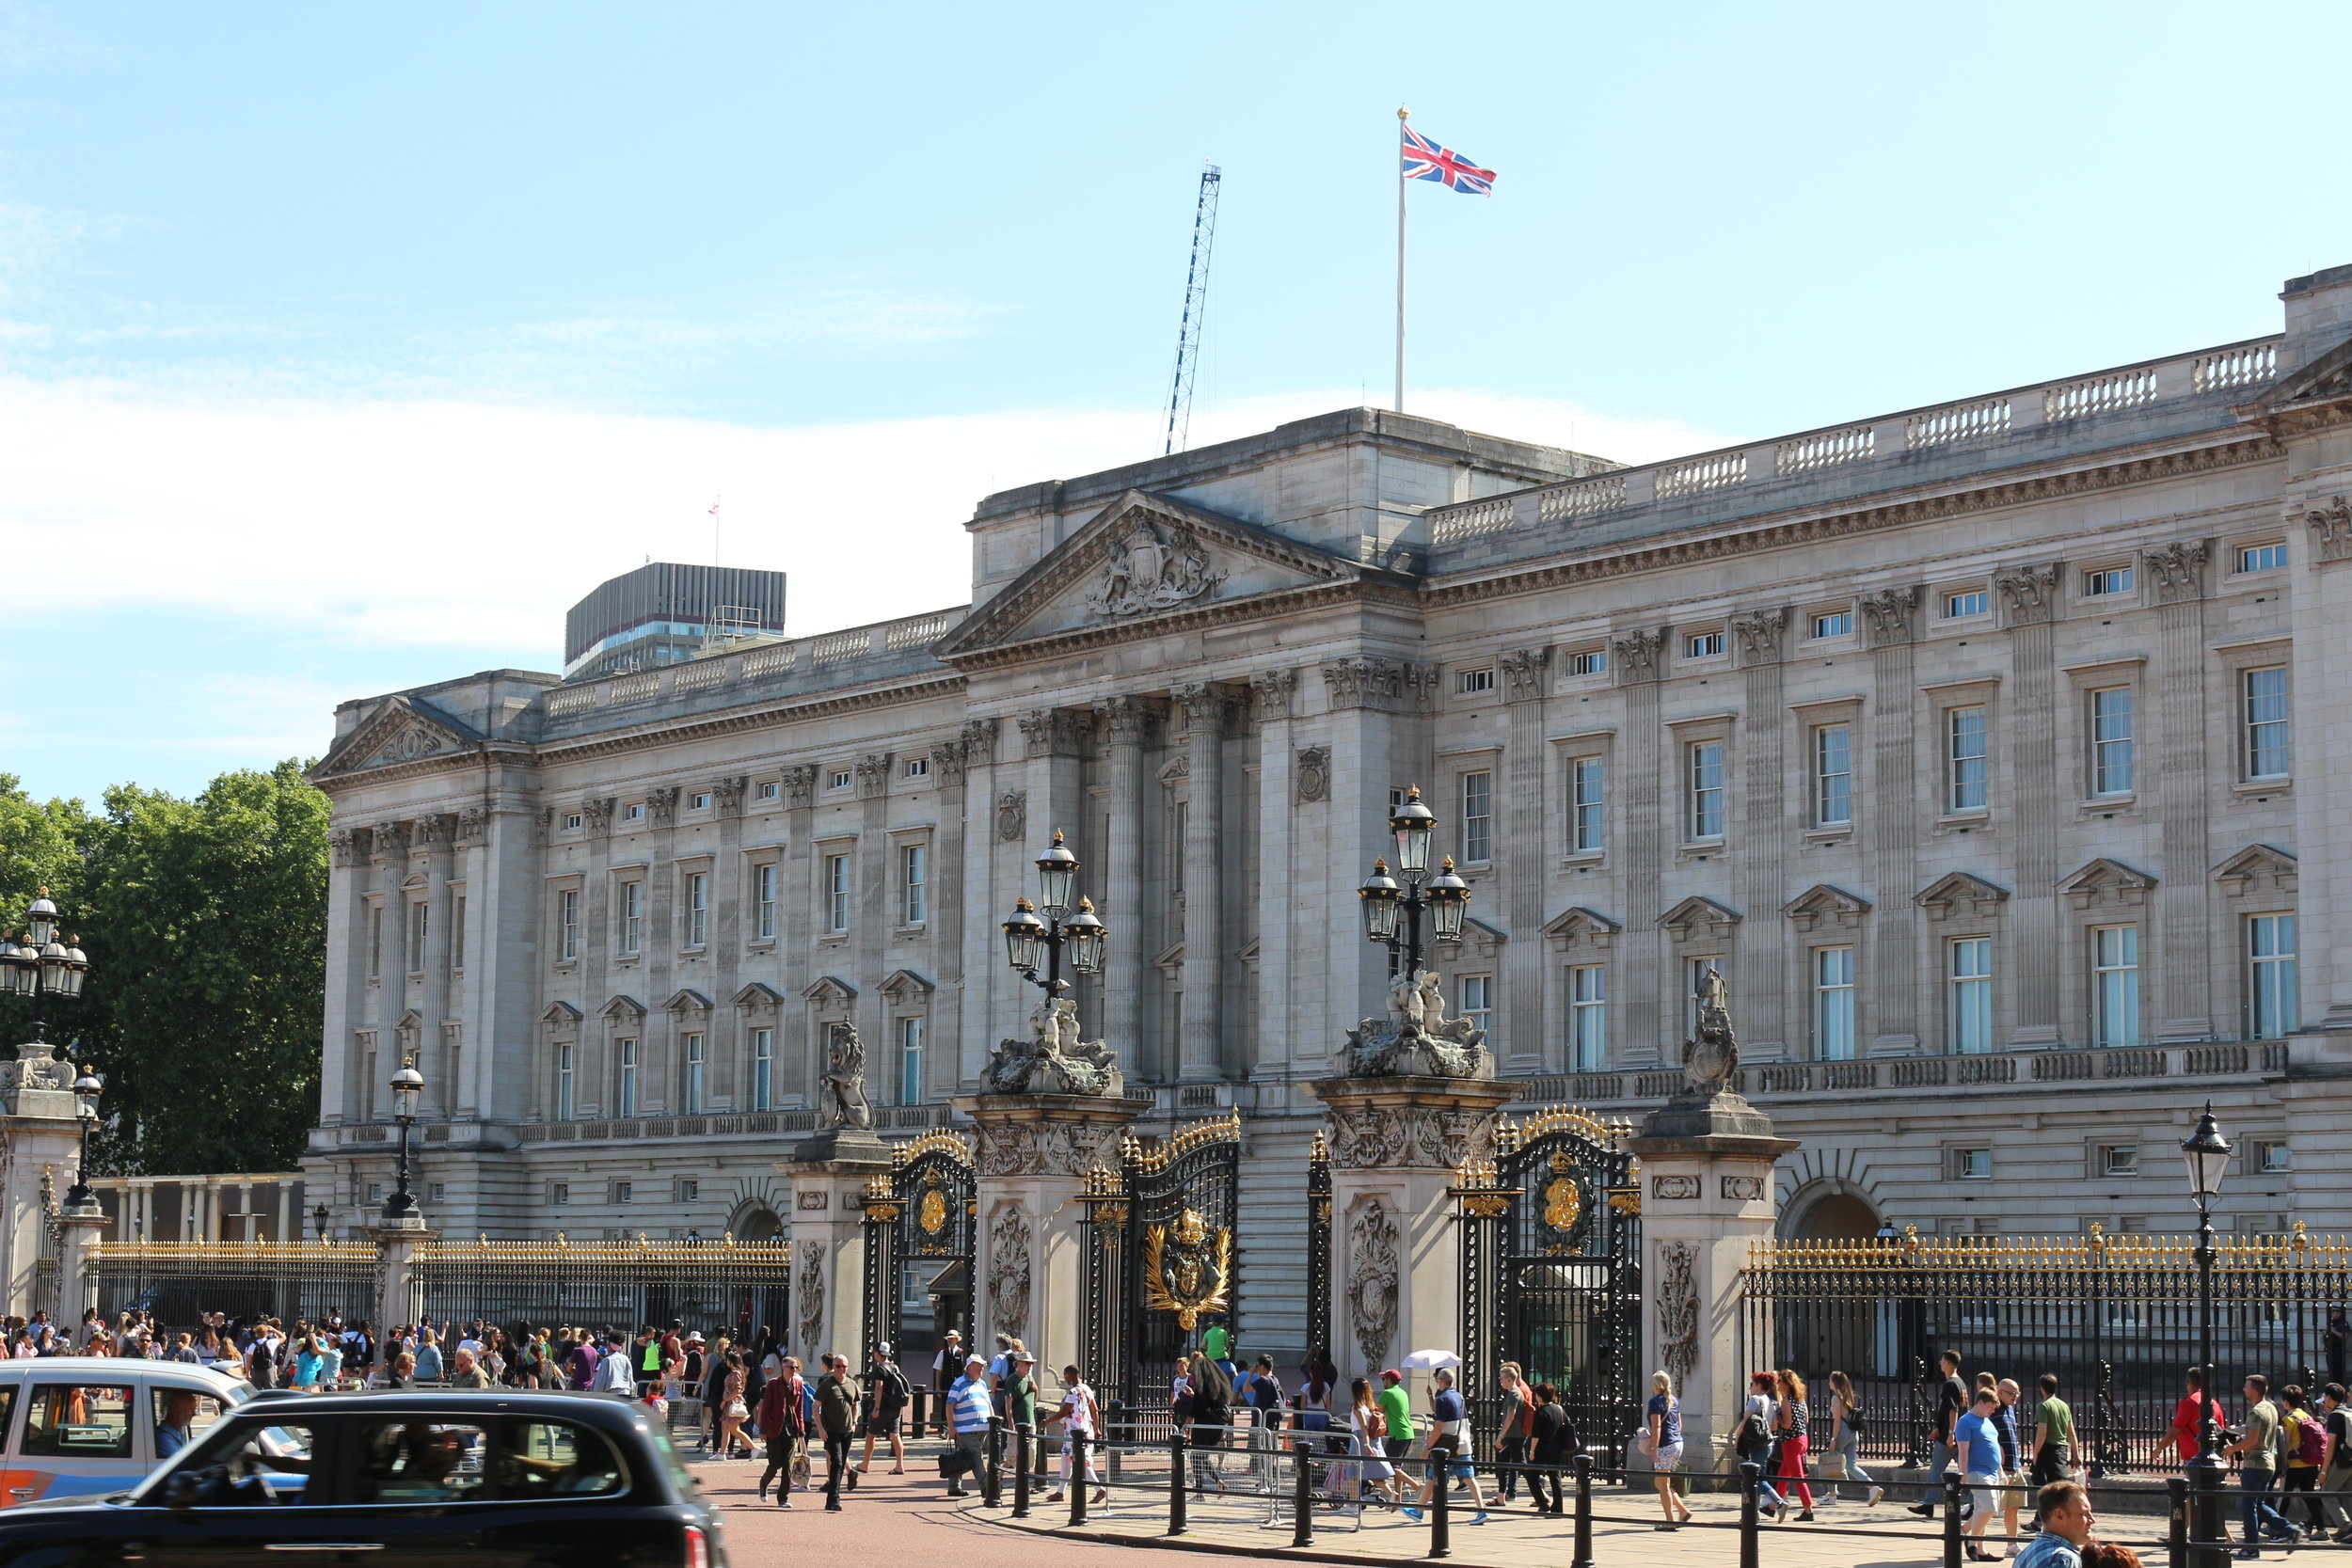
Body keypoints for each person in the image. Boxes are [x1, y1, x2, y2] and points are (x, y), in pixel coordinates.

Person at [2223, 1372, 2298, 1558]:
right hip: (2267, 1463)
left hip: (2256, 1464)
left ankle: (2251, 1547)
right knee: (2259, 1504)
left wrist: (2232, 1449)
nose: (2244, 1389)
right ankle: (2289, 1531)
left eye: (2247, 1386)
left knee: (2249, 1507)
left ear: (2254, 1390)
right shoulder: (2270, 1407)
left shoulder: (2256, 1411)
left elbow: (2252, 1440)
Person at [1403, 1368, 1487, 1527]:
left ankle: (1419, 1510)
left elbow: (1439, 1426)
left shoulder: (1442, 1398)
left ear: (1440, 1381)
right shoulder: (1459, 1396)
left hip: (1445, 1448)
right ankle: (1481, 1509)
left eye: (1437, 1379)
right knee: (1469, 1478)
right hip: (1461, 1443)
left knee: (1432, 1477)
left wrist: (1428, 1448)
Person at [1912, 1351, 1969, 1519]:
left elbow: (1953, 1410)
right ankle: (1973, 1503)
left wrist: (1950, 1432)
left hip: (1949, 1438)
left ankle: (1929, 1504)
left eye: (1942, 1360)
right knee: (1966, 1471)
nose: (1940, 1362)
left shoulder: (1950, 1384)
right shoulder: (1961, 1383)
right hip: (1958, 1435)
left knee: (1936, 1472)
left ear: (1949, 1363)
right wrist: (1940, 1428)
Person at [1046, 1362, 1107, 1506]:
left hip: (1076, 1433)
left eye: (1066, 1376)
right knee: (1066, 1460)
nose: (1065, 1379)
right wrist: (1096, 1428)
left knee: (1082, 1463)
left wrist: (1047, 1422)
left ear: (1071, 1375)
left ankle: (1099, 1489)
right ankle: (1060, 1492)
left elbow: (1064, 1411)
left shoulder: (1073, 1392)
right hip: (1085, 1430)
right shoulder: (1087, 1389)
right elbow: (1095, 1410)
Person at [1956, 1387, 2004, 1561]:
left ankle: (1978, 1546)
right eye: (1990, 1407)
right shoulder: (1965, 1421)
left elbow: (1994, 1446)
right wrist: (1964, 1473)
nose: (1992, 1412)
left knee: (1983, 1509)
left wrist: (2001, 1472)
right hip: (1977, 1471)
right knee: (1989, 1508)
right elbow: (1963, 1450)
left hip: (1992, 1472)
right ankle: (1971, 1542)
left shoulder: (1987, 1421)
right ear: (1981, 1402)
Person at [757, 1354, 810, 1506]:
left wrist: (801, 1428)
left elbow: (799, 1409)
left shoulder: (798, 1384)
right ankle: (763, 1484)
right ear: (783, 1368)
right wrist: (763, 1429)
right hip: (775, 1428)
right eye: (791, 1367)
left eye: (796, 1367)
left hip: (791, 1429)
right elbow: (765, 1408)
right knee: (774, 1464)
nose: (794, 1370)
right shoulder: (773, 1384)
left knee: (788, 1465)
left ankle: (782, 1498)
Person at [1643, 1369, 1692, 1528]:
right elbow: (1679, 1424)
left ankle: (1670, 1521)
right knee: (1662, 1482)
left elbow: (1657, 1427)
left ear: (1657, 1386)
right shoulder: (1674, 1401)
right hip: (1677, 1442)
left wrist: (1654, 1448)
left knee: (1662, 1485)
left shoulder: (1655, 1402)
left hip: (1664, 1444)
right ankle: (1682, 1511)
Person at [815, 1352, 863, 1509]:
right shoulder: (827, 1385)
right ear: (833, 1367)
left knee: (840, 1464)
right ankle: (834, 1499)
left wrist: (855, 1422)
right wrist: (820, 1429)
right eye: (838, 1366)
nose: (841, 1369)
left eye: (844, 1367)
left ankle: (833, 1498)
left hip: (847, 1429)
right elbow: (816, 1407)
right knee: (837, 1461)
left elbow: (856, 1404)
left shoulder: (851, 1384)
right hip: (831, 1429)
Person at [1827, 1371, 1883, 1506]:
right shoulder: (1848, 1396)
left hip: (1842, 1432)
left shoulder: (1836, 1398)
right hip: (1853, 1432)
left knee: (1832, 1462)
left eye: (1830, 1380)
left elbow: (1837, 1421)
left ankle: (1831, 1495)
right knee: (1851, 1465)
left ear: (1835, 1382)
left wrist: (1833, 1439)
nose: (1828, 1383)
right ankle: (1873, 1487)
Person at [943, 1354, 993, 1498]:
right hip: (965, 1429)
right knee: (976, 1456)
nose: (982, 1369)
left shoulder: (982, 1383)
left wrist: (992, 1422)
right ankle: (986, 1487)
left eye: (982, 1366)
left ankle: (953, 1486)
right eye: (979, 1366)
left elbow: (988, 1404)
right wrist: (951, 1427)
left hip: (982, 1428)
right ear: (970, 1368)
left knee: (961, 1456)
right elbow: (949, 1405)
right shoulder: (959, 1383)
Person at [2280, 1385, 2328, 1536]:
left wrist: (2282, 1462)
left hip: (2295, 1463)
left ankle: (2278, 1524)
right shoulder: (2306, 1416)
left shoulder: (2289, 1419)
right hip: (2311, 1462)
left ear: (2286, 1402)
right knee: (2309, 1496)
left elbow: (2286, 1443)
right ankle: (2320, 1528)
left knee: (2285, 1496)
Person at [1346, 1376, 1401, 1507]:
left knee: (1352, 1473)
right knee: (1374, 1474)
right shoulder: (1370, 1406)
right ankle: (1391, 1494)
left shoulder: (1357, 1407)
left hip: (1359, 1439)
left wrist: (1365, 1444)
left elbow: (1363, 1427)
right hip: (1372, 1439)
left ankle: (1353, 1505)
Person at [2015, 1480, 2096, 1568]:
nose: (2092, 1520)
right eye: (2084, 1514)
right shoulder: (2064, 1560)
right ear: (2060, 1516)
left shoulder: (2025, 1554)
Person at [859, 1342, 910, 1475]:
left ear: (877, 1353)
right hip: (896, 1407)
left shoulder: (880, 1369)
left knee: (871, 1435)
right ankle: (899, 1465)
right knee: (895, 1435)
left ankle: (865, 1464)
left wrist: (876, 1408)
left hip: (883, 1407)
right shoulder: (895, 1367)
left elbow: (879, 1387)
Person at [1184, 1353, 1232, 1493]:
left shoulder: (1201, 1388)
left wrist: (1184, 1427)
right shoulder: (1219, 1386)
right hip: (1217, 1426)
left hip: (1202, 1426)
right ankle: (1217, 1482)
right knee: (1203, 1456)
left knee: (1197, 1457)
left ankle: (1200, 1489)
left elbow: (1193, 1410)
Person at [1529, 1381, 1574, 1516]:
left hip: (1542, 1449)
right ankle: (1558, 1507)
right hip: (1557, 1449)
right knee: (1555, 1477)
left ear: (1540, 1396)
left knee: (1531, 1475)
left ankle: (1542, 1504)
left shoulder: (1540, 1412)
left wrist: (1532, 1451)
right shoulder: (1559, 1409)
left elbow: (1536, 1435)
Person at [1494, 1362, 1535, 1505]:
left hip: (1515, 1436)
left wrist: (1501, 1435)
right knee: (1503, 1464)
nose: (1500, 1381)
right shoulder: (1515, 1392)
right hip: (1514, 1436)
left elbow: (1510, 1416)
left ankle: (1541, 1495)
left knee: (1522, 1467)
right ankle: (1501, 1497)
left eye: (1502, 1378)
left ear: (1509, 1379)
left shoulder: (1514, 1394)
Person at [2031, 1373, 2075, 1493]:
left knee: (2045, 1490)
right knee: (2059, 1488)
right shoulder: (2064, 1406)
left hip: (2046, 1450)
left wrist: (2035, 1453)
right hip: (2061, 1450)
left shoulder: (2043, 1406)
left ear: (2042, 1388)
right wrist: (2076, 1454)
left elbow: (2042, 1432)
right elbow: (2071, 1432)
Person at [2319, 1384, 2352, 1543]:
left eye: (2324, 1398)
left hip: (2340, 1462)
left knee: (2327, 1493)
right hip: (2351, 1460)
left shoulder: (2334, 1416)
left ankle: (2346, 1527)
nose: (2324, 1402)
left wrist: (2324, 1471)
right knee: (2347, 1495)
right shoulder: (2349, 1412)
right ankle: (2347, 1529)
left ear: (2329, 1398)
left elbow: (2330, 1445)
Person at [2164, 1368, 2216, 1465]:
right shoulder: (2214, 1403)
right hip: (2216, 1456)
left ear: (2187, 1383)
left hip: (2196, 1457)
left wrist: (2158, 1449)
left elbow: (2174, 1431)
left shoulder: (2189, 1402)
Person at [1375, 1370, 1415, 1471]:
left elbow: (1377, 1411)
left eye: (1383, 1379)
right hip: (1408, 1433)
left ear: (1389, 1380)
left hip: (1398, 1434)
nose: (1383, 1381)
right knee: (1397, 1466)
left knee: (1389, 1465)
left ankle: (1417, 1486)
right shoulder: (1403, 1393)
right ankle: (1399, 1488)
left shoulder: (1387, 1393)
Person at [155, 1388, 199, 1459]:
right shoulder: (164, 1438)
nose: (194, 1414)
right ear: (177, 1411)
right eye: (191, 1410)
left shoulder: (177, 1433)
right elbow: (180, 1463)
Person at [2330, 1308, 2351, 1391]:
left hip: (2338, 1351)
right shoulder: (2332, 1323)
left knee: (2338, 1372)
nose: (2332, 1314)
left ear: (2339, 1314)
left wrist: (2334, 1331)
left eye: (2334, 1312)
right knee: (2332, 1372)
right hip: (2330, 1350)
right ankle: (2333, 1389)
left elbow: (2345, 1335)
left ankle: (2340, 1390)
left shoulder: (2343, 1323)